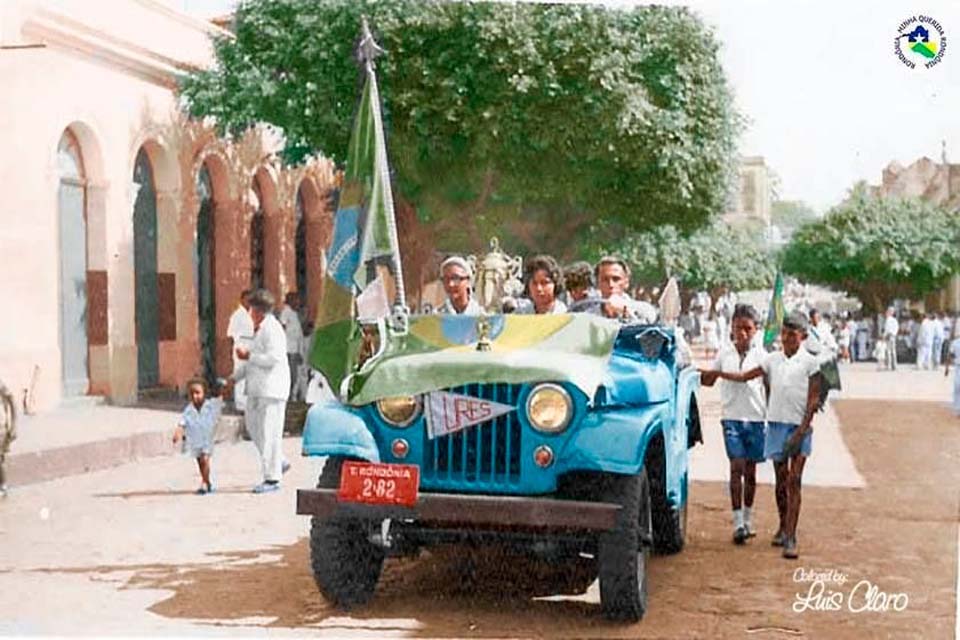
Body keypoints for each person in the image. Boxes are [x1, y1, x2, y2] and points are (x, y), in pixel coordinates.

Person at [710, 311, 822, 560]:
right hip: (775, 427)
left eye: (791, 334)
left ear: (802, 336)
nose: (786, 338)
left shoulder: (811, 363)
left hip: (799, 428)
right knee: (781, 480)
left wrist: (803, 429)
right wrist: (713, 373)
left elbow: (814, 400)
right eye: (783, 333)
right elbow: (744, 377)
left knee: (794, 480)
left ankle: (791, 537)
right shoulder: (772, 360)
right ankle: (783, 526)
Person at [699, 304, 767, 544]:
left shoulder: (763, 357)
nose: (743, 334)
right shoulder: (724, 354)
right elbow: (707, 381)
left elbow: (759, 383)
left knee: (750, 471)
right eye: (738, 328)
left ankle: (748, 518)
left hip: (756, 418)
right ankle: (737, 521)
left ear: (756, 330)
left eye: (748, 329)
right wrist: (697, 373)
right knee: (736, 466)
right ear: (732, 328)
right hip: (731, 417)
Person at [233, 289, 291, 494]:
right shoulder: (258, 329)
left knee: (269, 432)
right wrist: (234, 379)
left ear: (258, 310)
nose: (250, 312)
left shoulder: (272, 329)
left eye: (251, 308)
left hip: (272, 389)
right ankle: (279, 461)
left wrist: (249, 355)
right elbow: (251, 362)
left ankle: (272, 478)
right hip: (257, 389)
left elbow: (273, 359)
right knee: (253, 427)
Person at [172, 377, 223, 495]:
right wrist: (178, 433)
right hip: (195, 439)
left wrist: (220, 388)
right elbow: (182, 422)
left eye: (198, 393)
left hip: (207, 438)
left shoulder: (210, 406)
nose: (195, 396)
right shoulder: (189, 410)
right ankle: (206, 481)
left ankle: (204, 483)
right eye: (192, 394)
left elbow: (219, 399)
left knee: (205, 459)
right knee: (200, 461)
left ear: (204, 393)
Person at [592, 256, 657, 323]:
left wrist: (625, 310)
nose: (611, 284)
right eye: (605, 280)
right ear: (598, 283)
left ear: (626, 282)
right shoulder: (589, 316)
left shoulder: (643, 309)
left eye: (616, 279)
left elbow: (650, 319)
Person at [226, 290, 254, 411]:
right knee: (240, 375)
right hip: (240, 346)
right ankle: (240, 403)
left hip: (251, 347)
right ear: (242, 300)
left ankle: (248, 402)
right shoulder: (237, 315)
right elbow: (231, 335)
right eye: (247, 299)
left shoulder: (252, 314)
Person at [278, 292, 305, 399]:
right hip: (288, 349)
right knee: (289, 375)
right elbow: (282, 328)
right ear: (290, 301)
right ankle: (286, 396)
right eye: (296, 300)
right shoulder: (286, 312)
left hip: (294, 349)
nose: (298, 302)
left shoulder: (294, 313)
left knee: (294, 375)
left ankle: (291, 395)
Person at [944, 329, 960, 415]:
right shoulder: (955, 342)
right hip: (958, 366)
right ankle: (958, 408)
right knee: (957, 387)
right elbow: (950, 355)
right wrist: (947, 367)